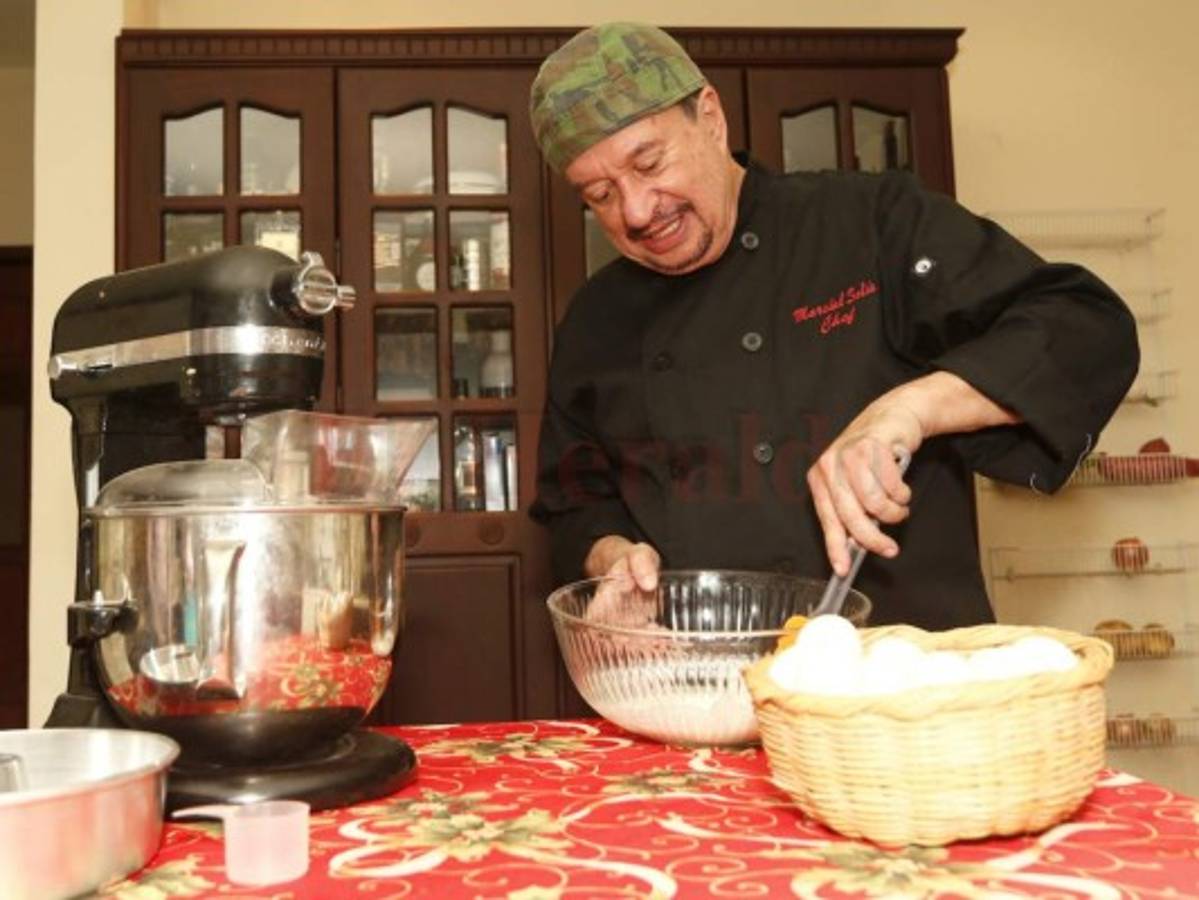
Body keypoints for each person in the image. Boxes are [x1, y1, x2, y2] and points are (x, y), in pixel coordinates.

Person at [527, 22, 1139, 629]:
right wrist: (610, 557)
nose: (635, 210)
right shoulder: (594, 320)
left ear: (710, 117)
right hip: (702, 688)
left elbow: (1083, 324)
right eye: (600, 195)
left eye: (650, 161)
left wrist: (911, 409)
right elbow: (573, 500)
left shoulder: (868, 224)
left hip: (901, 682)